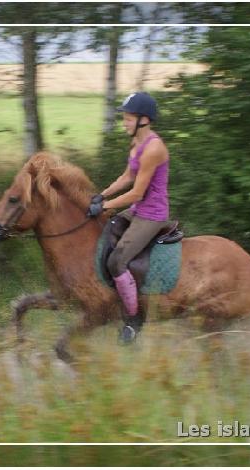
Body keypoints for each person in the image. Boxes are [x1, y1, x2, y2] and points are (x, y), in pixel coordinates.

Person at [87, 91, 170, 344]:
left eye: (128, 117)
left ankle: (133, 321)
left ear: (143, 119)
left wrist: (105, 206)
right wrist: (102, 195)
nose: (124, 122)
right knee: (103, 233)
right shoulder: (136, 144)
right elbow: (126, 178)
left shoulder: (154, 148)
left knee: (117, 261)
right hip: (137, 210)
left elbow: (136, 192)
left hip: (152, 215)